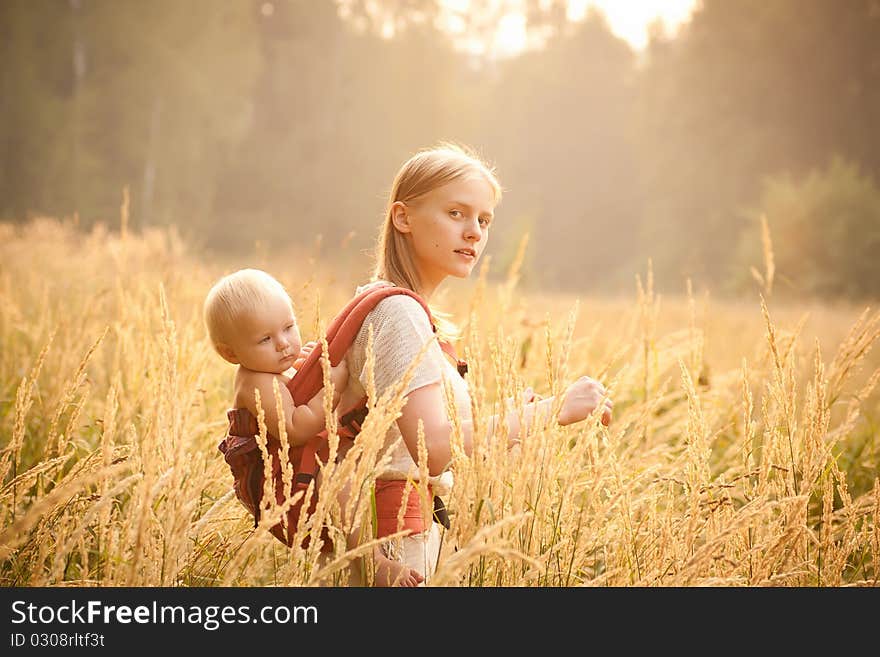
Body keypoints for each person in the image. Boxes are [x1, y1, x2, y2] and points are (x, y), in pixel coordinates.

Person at [342, 143, 614, 584]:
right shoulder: (398, 314)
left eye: (483, 220)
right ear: (403, 217)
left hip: (399, 538)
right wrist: (551, 410)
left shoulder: (397, 309)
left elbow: (402, 437)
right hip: (393, 548)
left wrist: (513, 413)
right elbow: (432, 450)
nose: (474, 233)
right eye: (456, 213)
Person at [203, 268, 424, 586]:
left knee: (357, 460)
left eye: (288, 328)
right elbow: (295, 426)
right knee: (337, 474)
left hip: (302, 468)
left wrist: (309, 366)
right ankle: (370, 560)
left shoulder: (272, 366)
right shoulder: (256, 381)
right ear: (231, 353)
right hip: (284, 490)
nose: (283, 344)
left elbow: (299, 391)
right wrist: (333, 385)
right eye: (266, 339)